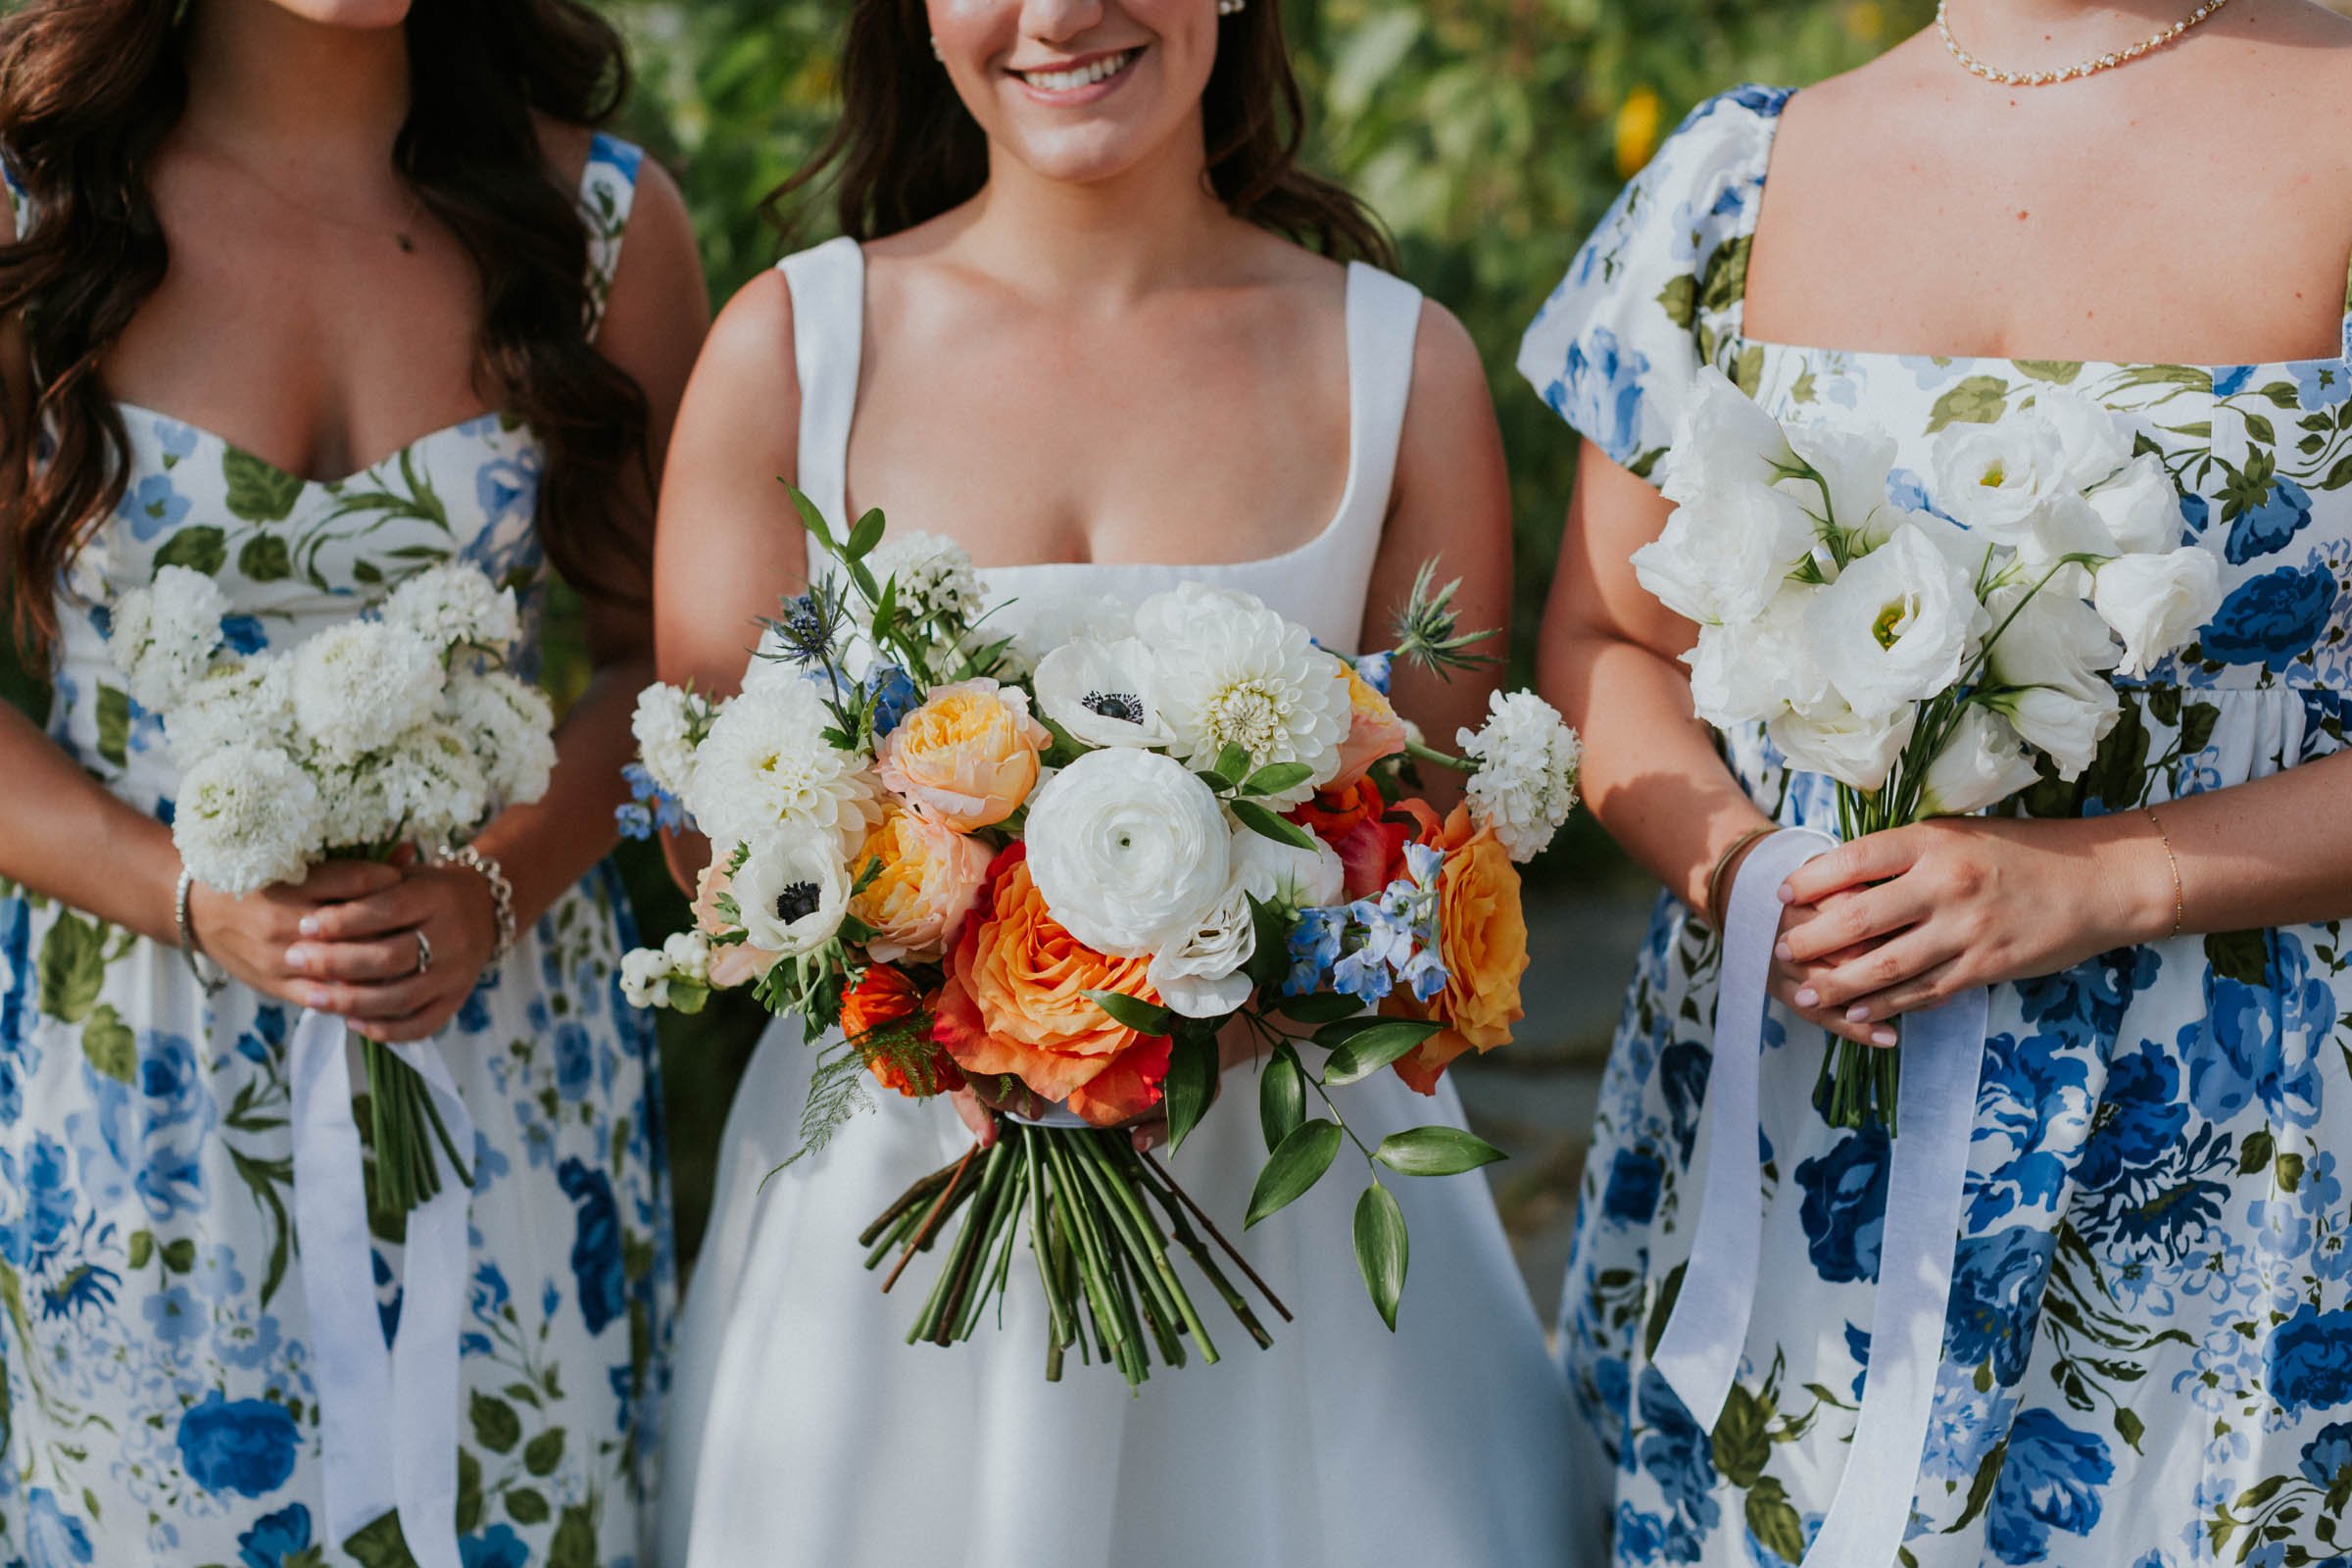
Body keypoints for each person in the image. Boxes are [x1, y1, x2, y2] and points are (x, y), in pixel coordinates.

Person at [653, 2, 1582, 1563]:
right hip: (890, 1224)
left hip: (1290, 1218)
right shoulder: (790, 346)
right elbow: (710, 822)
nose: (1065, 12)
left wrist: (1199, 1000)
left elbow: (1431, 848)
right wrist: (963, 994)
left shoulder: (1399, 363)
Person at [1525, 1, 2352, 1560]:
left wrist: (2108, 877)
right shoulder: (1729, 181)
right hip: (1797, 1131)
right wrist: (1742, 869)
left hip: (2251, 1169)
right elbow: (1605, 637)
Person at [0, 0, 706, 1560]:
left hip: (505, 1057)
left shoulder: (597, 220)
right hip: (137, 1097)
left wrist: (494, 887)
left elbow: (666, 654)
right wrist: (186, 895)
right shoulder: (30, 204)